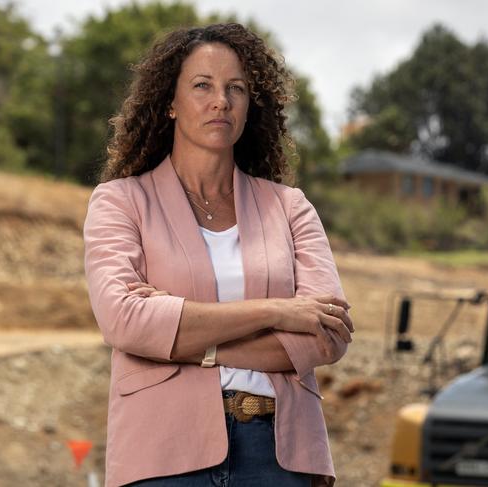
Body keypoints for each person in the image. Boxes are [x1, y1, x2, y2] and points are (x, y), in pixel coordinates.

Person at [83, 23, 354, 487]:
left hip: (280, 456)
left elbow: (327, 334)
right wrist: (278, 311)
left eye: (236, 89)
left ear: (251, 106)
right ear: (170, 103)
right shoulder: (120, 202)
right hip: (162, 454)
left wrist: (188, 342)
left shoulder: (289, 207)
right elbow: (124, 320)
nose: (221, 101)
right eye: (202, 85)